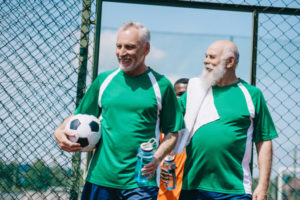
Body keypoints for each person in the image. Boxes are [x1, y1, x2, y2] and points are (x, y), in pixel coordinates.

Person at [54, 21, 184, 200]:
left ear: (146, 49)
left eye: (129, 47)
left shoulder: (161, 85)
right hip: (100, 179)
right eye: (119, 46)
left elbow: (172, 133)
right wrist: (59, 131)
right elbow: (79, 115)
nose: (122, 52)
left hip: (141, 182)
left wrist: (157, 157)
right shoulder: (104, 81)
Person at [177, 40, 278, 200]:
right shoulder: (194, 91)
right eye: (206, 56)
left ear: (230, 61)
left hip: (235, 190)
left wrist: (263, 185)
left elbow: (264, 141)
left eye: (211, 57)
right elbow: (168, 118)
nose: (206, 61)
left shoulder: (251, 95)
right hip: (193, 187)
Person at [158, 78, 189, 200]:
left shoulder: (197, 132)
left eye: (188, 95)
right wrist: (156, 170)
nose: (183, 99)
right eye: (180, 94)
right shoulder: (159, 130)